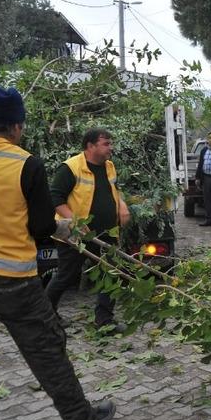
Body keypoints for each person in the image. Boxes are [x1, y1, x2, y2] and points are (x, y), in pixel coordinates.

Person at [0, 87, 115, 420]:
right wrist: (64, 228)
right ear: (15, 125)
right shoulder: (23, 162)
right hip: (10, 278)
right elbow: (42, 225)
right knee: (46, 350)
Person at [45, 128, 131, 332]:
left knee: (110, 273)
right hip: (76, 235)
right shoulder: (70, 168)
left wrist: (122, 205)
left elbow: (114, 190)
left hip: (106, 233)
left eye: (111, 143)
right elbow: (55, 198)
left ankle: (104, 321)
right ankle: (46, 316)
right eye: (106, 144)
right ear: (90, 146)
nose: (111, 148)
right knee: (67, 275)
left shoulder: (109, 166)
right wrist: (75, 222)